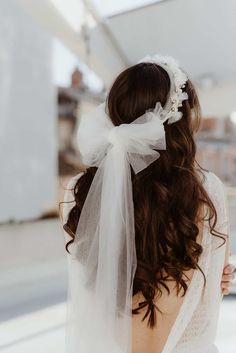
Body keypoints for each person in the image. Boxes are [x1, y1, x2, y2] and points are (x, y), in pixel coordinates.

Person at [61, 55, 235, 353]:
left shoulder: (80, 193)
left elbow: (92, 296)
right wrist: (211, 284)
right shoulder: (205, 192)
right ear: (182, 124)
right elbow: (201, 318)